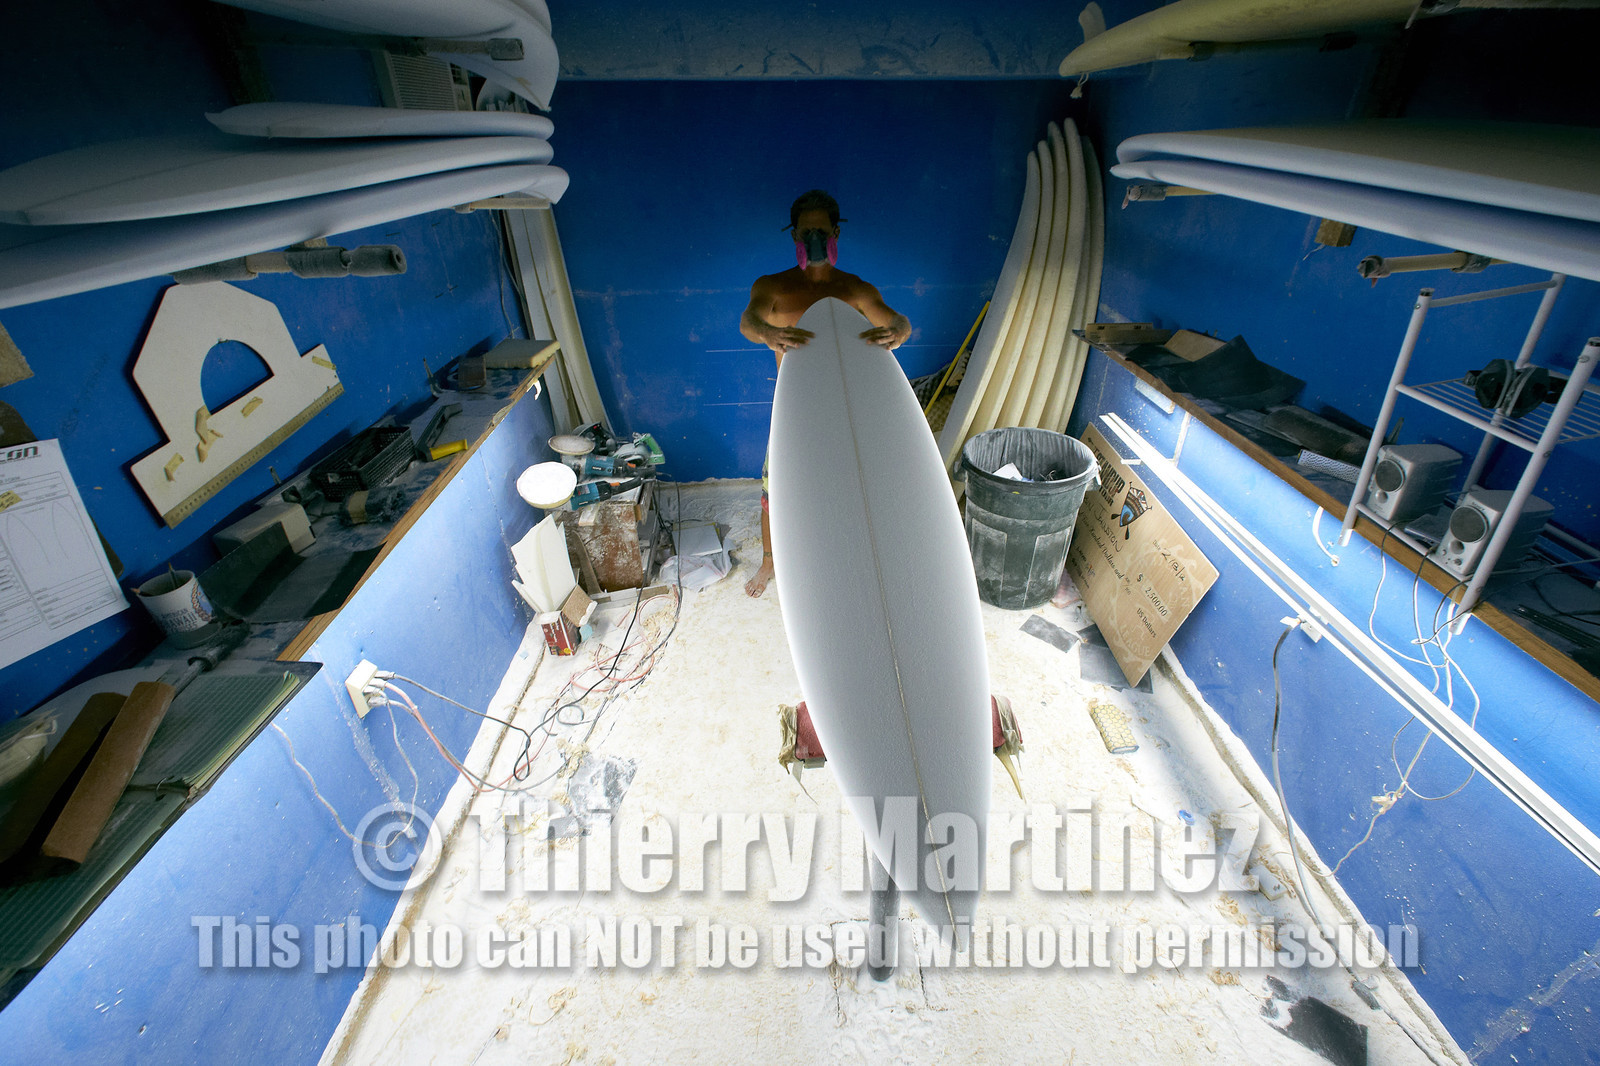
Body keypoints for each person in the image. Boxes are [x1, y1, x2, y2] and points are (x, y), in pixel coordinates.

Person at [738, 189, 913, 597]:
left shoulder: (855, 290)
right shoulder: (774, 286)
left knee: (849, 486)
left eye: (820, 230)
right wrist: (768, 333)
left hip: (847, 406)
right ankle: (769, 562)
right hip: (795, 410)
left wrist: (898, 333)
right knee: (775, 488)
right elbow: (749, 320)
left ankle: (846, 554)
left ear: (834, 232)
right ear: (794, 236)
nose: (813, 238)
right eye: (805, 231)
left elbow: (899, 321)